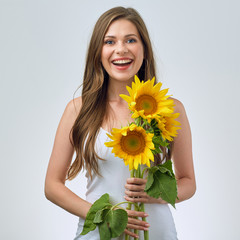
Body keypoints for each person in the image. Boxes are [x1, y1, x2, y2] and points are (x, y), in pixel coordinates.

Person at [44, 6, 196, 240]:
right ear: (98, 51)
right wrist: (106, 215)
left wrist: (156, 193)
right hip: (98, 232)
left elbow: (188, 182)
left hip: (157, 234)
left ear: (144, 49)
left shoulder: (170, 109)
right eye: (110, 42)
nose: (121, 50)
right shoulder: (78, 110)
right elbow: (52, 186)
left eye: (131, 40)